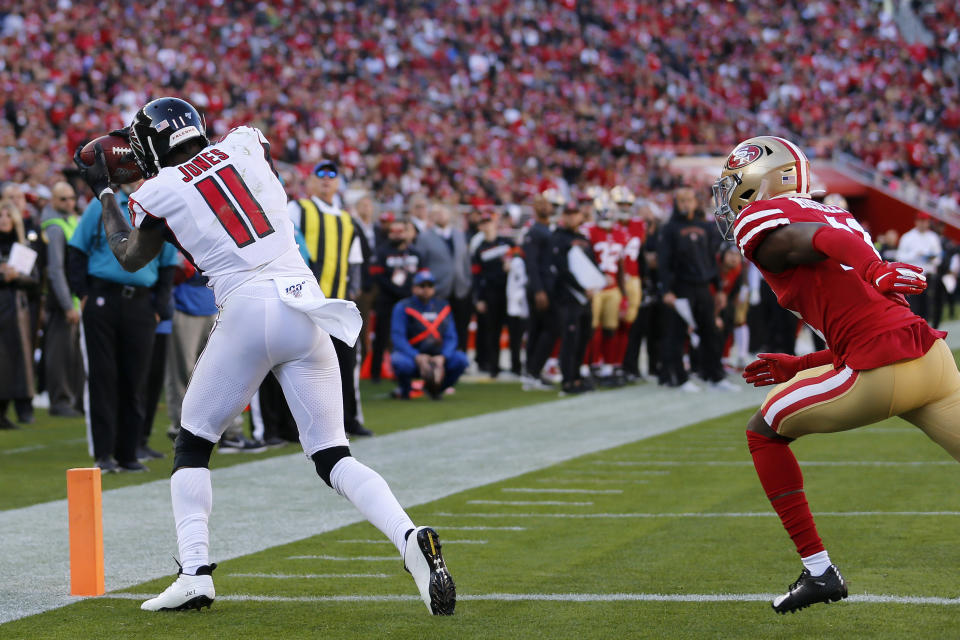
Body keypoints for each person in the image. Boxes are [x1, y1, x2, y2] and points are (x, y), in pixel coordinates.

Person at [73, 97, 454, 615]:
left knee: (192, 442)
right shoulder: (247, 144)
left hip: (248, 307)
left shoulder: (160, 189)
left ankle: (195, 573)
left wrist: (106, 193)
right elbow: (232, 186)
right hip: (305, 302)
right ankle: (409, 536)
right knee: (332, 454)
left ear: (152, 143)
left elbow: (130, 253)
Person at [714, 135, 960, 614]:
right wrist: (801, 364)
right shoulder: (838, 214)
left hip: (882, 370)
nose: (729, 197)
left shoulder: (764, 219)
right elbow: (869, 316)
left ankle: (821, 572)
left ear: (762, 180)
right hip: (930, 361)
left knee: (763, 432)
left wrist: (874, 268)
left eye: (734, 184)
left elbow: (815, 241)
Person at [67, 179, 178, 473]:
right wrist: (84, 294)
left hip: (141, 303)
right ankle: (104, 455)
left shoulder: (157, 211)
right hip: (103, 297)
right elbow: (77, 249)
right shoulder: (103, 204)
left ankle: (128, 453)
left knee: (135, 379)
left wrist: (157, 308)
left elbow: (168, 265)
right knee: (103, 377)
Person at [287, 160, 371, 437]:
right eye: (320, 175)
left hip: (336, 304)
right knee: (300, 366)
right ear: (310, 181)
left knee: (346, 364)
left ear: (338, 183)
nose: (326, 179)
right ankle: (295, 427)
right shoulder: (298, 209)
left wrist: (353, 292)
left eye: (332, 175)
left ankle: (350, 419)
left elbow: (355, 260)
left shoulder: (348, 220)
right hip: (306, 303)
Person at [657, 186, 732, 391]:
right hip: (681, 288)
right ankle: (678, 378)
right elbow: (664, 264)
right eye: (681, 200)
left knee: (710, 332)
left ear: (695, 202)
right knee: (677, 334)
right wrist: (666, 291)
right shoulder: (669, 229)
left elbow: (711, 260)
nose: (685, 204)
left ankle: (714, 375)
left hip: (703, 287)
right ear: (675, 202)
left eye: (689, 200)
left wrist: (719, 289)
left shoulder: (705, 227)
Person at [40, 181, 84, 417]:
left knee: (74, 353)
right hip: (62, 301)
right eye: (63, 199)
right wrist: (68, 304)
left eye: (71, 198)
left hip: (74, 296)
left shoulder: (71, 222)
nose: (69, 202)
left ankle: (73, 399)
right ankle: (60, 400)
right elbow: (56, 270)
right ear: (54, 201)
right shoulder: (55, 227)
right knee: (59, 351)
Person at [389, 270, 468, 399]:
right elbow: (398, 337)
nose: (426, 289)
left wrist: (443, 357)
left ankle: (437, 389)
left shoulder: (443, 307)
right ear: (414, 287)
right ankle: (405, 390)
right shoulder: (402, 307)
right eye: (422, 286)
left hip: (437, 356)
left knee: (461, 360)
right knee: (400, 362)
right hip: (413, 356)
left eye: (429, 286)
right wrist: (417, 356)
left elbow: (451, 337)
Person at [0, 200, 40, 430]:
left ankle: (23, 407)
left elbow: (35, 281)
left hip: (18, 311)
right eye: (1, 215)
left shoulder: (23, 249)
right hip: (6, 308)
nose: (4, 219)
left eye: (8, 215)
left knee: (19, 361)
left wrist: (17, 277)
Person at [368, 213, 421, 383]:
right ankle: (376, 373)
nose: (397, 234)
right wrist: (398, 290)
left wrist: (409, 292)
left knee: (410, 336)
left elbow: (421, 275)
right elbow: (378, 276)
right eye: (394, 231)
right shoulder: (382, 251)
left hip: (409, 301)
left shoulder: (414, 252)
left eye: (401, 231)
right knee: (382, 337)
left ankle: (408, 371)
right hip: (387, 300)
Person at [896, 212, 942, 322]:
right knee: (914, 306)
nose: (923, 224)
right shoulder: (908, 237)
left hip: (928, 275)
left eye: (925, 222)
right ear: (916, 222)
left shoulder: (933, 237)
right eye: (920, 221)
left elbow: (939, 258)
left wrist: (931, 257)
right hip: (913, 277)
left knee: (928, 305)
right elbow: (899, 257)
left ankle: (928, 327)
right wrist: (915, 254)